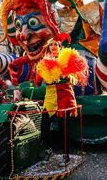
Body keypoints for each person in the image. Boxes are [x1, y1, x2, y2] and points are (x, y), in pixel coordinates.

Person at [36, 33, 88, 166]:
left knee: (63, 127)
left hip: (64, 97)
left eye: (56, 44)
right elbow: (37, 82)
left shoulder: (66, 60)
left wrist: (70, 77)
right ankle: (48, 150)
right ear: (49, 47)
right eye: (51, 44)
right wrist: (40, 75)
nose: (53, 46)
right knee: (44, 125)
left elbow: (76, 79)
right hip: (50, 98)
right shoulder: (44, 62)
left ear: (60, 47)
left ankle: (66, 154)